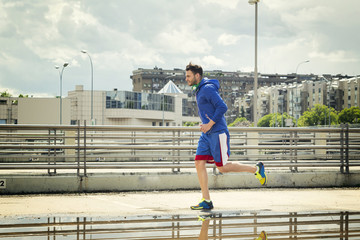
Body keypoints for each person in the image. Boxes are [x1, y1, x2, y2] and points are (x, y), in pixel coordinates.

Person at [185, 62, 267, 210]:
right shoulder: (199, 90)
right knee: (199, 162)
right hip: (207, 134)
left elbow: (223, 107)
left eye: (188, 76)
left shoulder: (208, 89)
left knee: (221, 167)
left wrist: (209, 124)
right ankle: (206, 200)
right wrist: (204, 124)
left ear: (197, 75)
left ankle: (256, 169)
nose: (186, 79)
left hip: (218, 133)